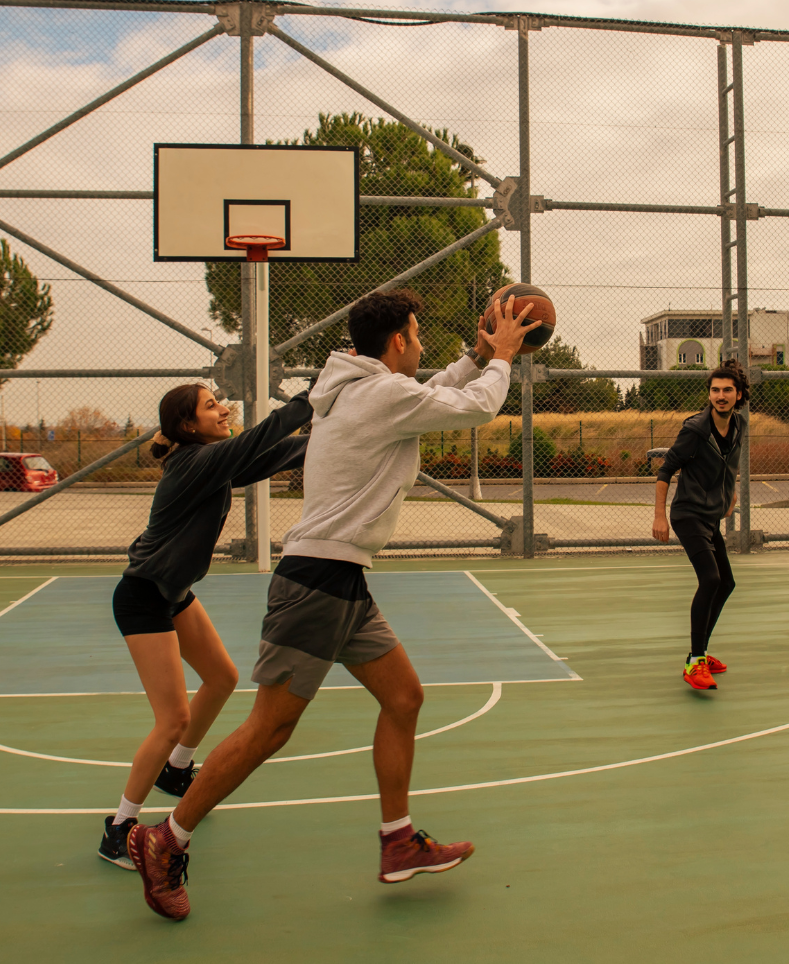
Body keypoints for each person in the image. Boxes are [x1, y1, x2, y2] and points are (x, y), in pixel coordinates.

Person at [128, 287, 540, 921]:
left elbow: (437, 392)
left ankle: (398, 840)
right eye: (417, 332)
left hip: (342, 579)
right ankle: (166, 838)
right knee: (270, 727)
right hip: (316, 582)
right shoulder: (381, 395)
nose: (421, 343)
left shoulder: (368, 387)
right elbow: (473, 407)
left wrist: (475, 353)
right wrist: (503, 358)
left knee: (404, 697)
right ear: (398, 340)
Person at [97, 384, 312, 870]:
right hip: (144, 598)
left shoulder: (211, 461)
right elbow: (261, 440)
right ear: (188, 426)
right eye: (211, 406)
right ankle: (119, 828)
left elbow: (276, 454)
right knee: (171, 719)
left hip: (172, 594)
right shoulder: (194, 463)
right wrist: (311, 397)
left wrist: (341, 435)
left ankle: (176, 772)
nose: (224, 409)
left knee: (222, 678)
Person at [651, 362, 747, 691]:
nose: (720, 396)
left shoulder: (739, 425)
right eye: (715, 390)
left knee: (727, 583)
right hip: (687, 514)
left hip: (709, 515)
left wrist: (730, 490)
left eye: (727, 390)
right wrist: (659, 516)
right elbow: (666, 471)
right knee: (710, 578)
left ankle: (701, 655)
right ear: (709, 394)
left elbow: (729, 462)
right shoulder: (695, 430)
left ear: (738, 394)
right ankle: (695, 662)